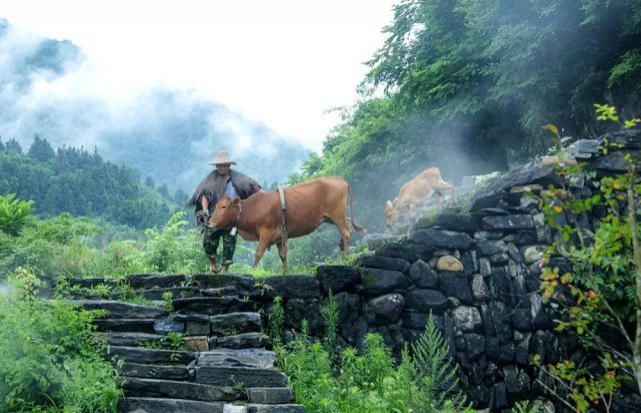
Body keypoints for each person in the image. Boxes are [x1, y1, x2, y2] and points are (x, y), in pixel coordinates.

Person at [187, 151, 261, 272]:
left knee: (230, 243)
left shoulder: (238, 178)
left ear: (229, 165)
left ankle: (225, 270)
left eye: (225, 165)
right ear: (216, 166)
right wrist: (205, 210)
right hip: (214, 216)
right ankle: (213, 264)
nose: (222, 167)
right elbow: (204, 195)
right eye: (220, 165)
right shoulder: (211, 179)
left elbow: (253, 189)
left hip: (231, 220)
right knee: (208, 242)